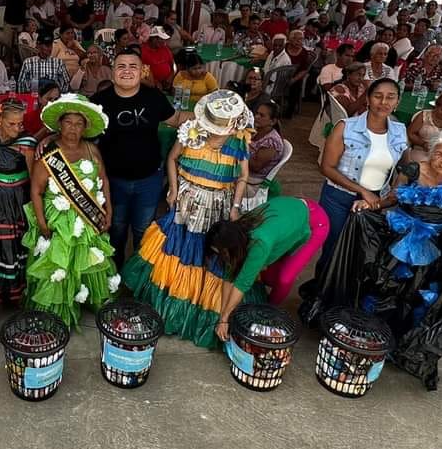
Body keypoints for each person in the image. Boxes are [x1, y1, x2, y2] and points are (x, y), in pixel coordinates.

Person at [311, 128, 442, 390]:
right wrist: (369, 205)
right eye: (439, 154)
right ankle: (366, 338)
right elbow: (391, 198)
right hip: (401, 236)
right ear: (430, 153)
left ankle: (401, 346)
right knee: (383, 289)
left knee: (420, 297)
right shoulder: (413, 170)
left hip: (435, 246)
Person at [123, 91, 253, 346]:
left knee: (211, 255)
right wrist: (173, 189)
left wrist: (236, 206)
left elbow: (243, 176)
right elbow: (172, 159)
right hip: (187, 202)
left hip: (218, 206)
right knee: (178, 250)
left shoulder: (240, 139)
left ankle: (201, 315)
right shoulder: (190, 130)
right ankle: (169, 310)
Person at [22, 94, 118, 327]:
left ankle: (89, 297)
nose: (73, 128)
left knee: (89, 258)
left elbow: (103, 179)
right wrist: (42, 223)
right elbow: (36, 191)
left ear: (85, 127)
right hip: (58, 219)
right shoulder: (48, 153)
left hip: (89, 216)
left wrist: (109, 210)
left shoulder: (92, 150)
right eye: (68, 122)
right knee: (60, 264)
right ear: (59, 124)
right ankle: (59, 308)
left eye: (78, 123)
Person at [305, 78, 408, 296]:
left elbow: (404, 168)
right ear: (368, 99)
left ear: (397, 102)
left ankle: (345, 301)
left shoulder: (400, 131)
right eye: (378, 96)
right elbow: (327, 167)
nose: (384, 102)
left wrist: (392, 194)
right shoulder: (346, 127)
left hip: (374, 202)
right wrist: (362, 190)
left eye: (390, 97)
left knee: (362, 253)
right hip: (338, 198)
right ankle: (321, 299)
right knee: (333, 251)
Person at [93, 49, 176, 267]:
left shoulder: (154, 97)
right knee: (116, 230)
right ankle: (114, 273)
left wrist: (214, 119)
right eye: (121, 66)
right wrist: (50, 137)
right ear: (113, 72)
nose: (127, 71)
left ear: (142, 71)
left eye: (133, 66)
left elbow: (176, 119)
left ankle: (136, 275)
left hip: (148, 180)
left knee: (143, 230)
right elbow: (76, 128)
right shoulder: (99, 102)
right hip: (113, 181)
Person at [206, 197, 328, 342]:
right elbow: (230, 274)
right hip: (289, 213)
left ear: (231, 246)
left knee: (284, 278)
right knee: (264, 271)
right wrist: (223, 316)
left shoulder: (259, 242)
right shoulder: (235, 232)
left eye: (222, 253)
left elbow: (242, 283)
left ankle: (269, 311)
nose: (221, 257)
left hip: (314, 223)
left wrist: (224, 319)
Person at [0, 99, 36, 308]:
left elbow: (33, 176)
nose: (17, 128)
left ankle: (13, 296)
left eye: (20, 123)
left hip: (15, 199)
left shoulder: (26, 142)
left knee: (12, 244)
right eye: (12, 123)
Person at [406, 90, 442, 163]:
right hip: (422, 151)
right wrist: (423, 144)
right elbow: (410, 133)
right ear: (436, 106)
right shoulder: (424, 115)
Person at [248, 101, 284, 180]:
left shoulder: (271, 142)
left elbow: (256, 167)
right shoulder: (257, 131)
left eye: (262, 115)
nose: (256, 117)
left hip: (253, 178)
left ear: (273, 121)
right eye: (257, 113)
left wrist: (240, 150)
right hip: (244, 169)